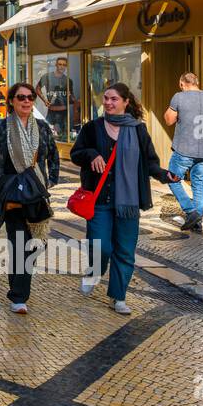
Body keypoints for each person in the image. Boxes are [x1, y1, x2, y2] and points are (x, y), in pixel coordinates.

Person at [71, 83, 179, 314]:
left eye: (114, 99)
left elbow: (149, 161)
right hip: (99, 199)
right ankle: (94, 271)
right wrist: (92, 154)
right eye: (106, 98)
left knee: (125, 250)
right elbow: (76, 153)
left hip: (128, 202)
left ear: (126, 102)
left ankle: (118, 296)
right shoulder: (93, 128)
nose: (109, 103)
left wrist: (164, 174)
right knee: (100, 246)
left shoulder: (138, 130)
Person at [0, 82, 61, 315]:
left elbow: (53, 154)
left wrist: (52, 179)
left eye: (30, 97)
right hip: (11, 192)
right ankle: (19, 297)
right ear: (11, 101)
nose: (26, 101)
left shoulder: (42, 127)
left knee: (37, 244)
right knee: (19, 242)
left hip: (36, 193)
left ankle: (17, 286)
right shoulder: (1, 127)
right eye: (21, 97)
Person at [163, 73, 203, 232]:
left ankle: (191, 212)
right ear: (197, 83)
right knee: (198, 184)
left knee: (172, 179)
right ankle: (198, 222)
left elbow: (169, 120)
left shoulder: (179, 97)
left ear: (182, 83)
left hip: (183, 149)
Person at [37, 56, 79, 140]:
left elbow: (71, 97)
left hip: (64, 112)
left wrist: (74, 99)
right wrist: (45, 100)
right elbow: (37, 89)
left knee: (64, 137)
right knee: (46, 135)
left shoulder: (68, 80)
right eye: (60, 64)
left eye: (64, 65)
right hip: (51, 111)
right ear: (56, 65)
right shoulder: (47, 77)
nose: (62, 66)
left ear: (66, 66)